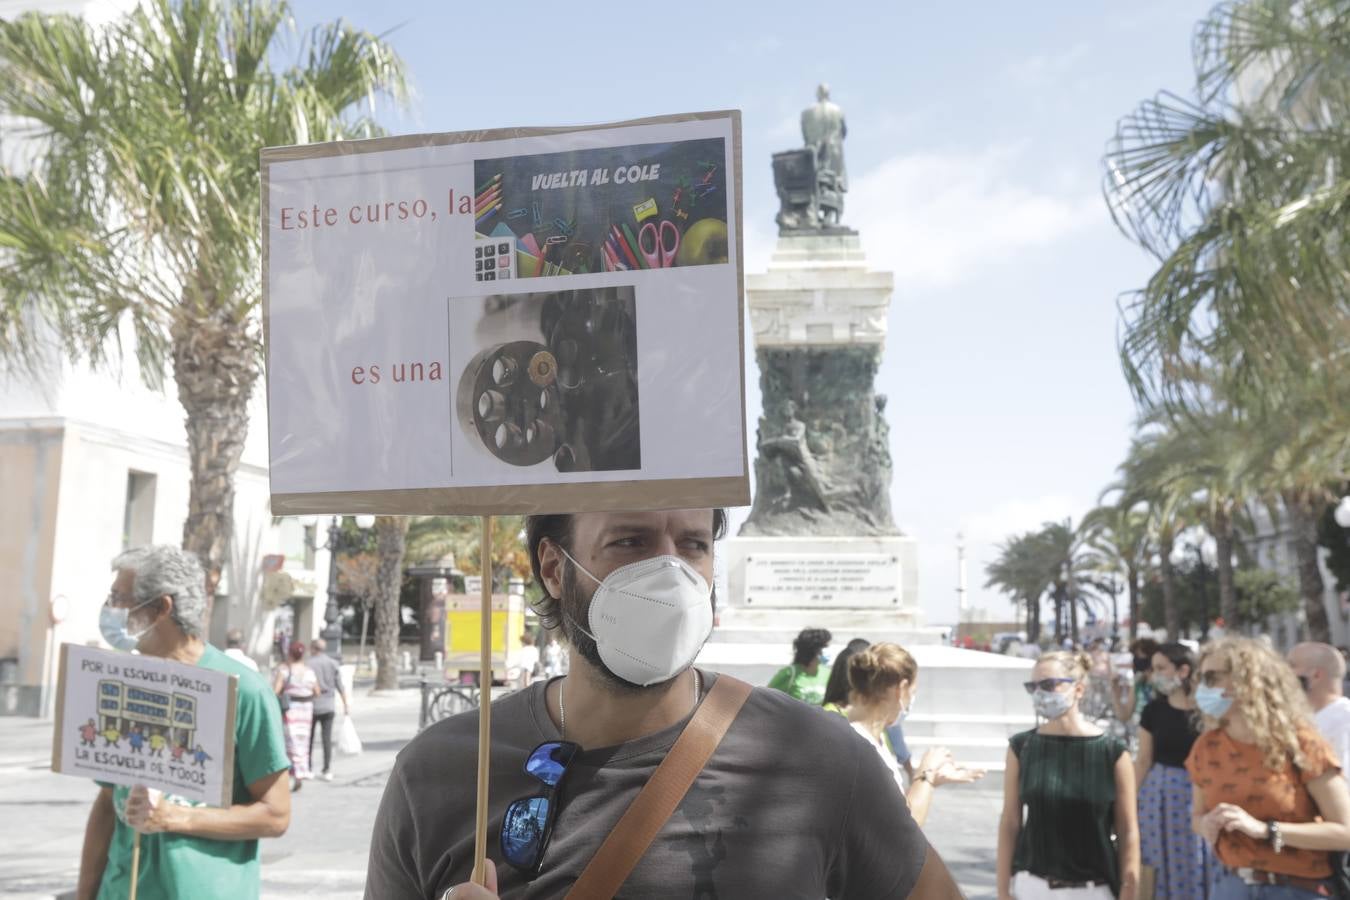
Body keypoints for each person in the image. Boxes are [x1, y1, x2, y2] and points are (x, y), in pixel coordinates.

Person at [365, 509, 963, 899]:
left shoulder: (821, 759)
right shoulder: (439, 773)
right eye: (630, 540)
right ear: (553, 567)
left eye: (694, 545)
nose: (670, 571)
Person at [77, 545, 290, 900]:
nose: (110, 609)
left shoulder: (244, 692)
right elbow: (107, 802)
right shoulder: (121, 680)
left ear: (161, 607)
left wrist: (174, 818)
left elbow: (275, 815)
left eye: (119, 597)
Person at [1189, 637, 1350, 898]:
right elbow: (1197, 817)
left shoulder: (1301, 743)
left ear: (1247, 681)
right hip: (1231, 886)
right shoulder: (1206, 747)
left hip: (1297, 888)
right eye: (1200, 678)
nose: (1201, 688)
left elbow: (1345, 831)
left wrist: (1266, 830)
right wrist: (1206, 824)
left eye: (1212, 677)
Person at [998, 650, 1140, 899]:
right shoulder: (1022, 748)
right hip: (1032, 886)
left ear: (1079, 689)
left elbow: (1128, 830)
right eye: (1034, 687)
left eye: (1049, 684)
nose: (1041, 693)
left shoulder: (1112, 752)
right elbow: (1010, 822)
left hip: (1093, 889)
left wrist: (1130, 889)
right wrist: (1002, 890)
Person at [846, 642, 985, 826]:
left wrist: (930, 781)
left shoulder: (874, 737)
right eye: (912, 692)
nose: (911, 700)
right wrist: (927, 771)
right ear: (901, 689)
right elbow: (905, 824)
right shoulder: (861, 743)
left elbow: (890, 805)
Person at [1135, 642, 1211, 899]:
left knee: (1198, 857)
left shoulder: (1207, 712)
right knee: (1157, 858)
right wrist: (1126, 801)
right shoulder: (1153, 711)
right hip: (1159, 797)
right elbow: (1143, 760)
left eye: (1160, 668)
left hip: (1199, 794)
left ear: (1183, 670)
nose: (1154, 674)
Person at [1289, 641, 1350, 775]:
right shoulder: (1303, 718)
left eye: (1292, 665)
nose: (1284, 673)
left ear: (1316, 675)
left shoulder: (1344, 720)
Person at [273, 641, 321, 790]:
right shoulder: (309, 672)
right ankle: (301, 772)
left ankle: (290, 773)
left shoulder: (285, 670)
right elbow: (317, 692)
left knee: (289, 743)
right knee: (303, 742)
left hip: (290, 711)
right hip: (306, 712)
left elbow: (275, 691)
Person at [306, 638, 349, 783]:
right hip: (329, 705)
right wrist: (346, 705)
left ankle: (308, 767)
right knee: (326, 739)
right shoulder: (333, 664)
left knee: (309, 739)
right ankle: (326, 769)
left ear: (313, 648)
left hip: (312, 705)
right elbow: (340, 686)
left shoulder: (308, 664)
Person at [767, 626, 833, 705]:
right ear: (814, 650)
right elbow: (765, 700)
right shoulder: (789, 673)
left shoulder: (828, 673)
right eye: (825, 647)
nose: (828, 650)